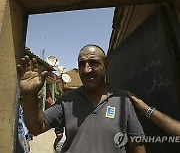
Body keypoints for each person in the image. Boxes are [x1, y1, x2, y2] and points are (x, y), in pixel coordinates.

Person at [17, 44, 146, 153]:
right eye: (81, 64)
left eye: (94, 63)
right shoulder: (67, 100)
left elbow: (137, 145)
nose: (86, 70)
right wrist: (29, 96)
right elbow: (36, 128)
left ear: (106, 66)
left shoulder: (123, 100)